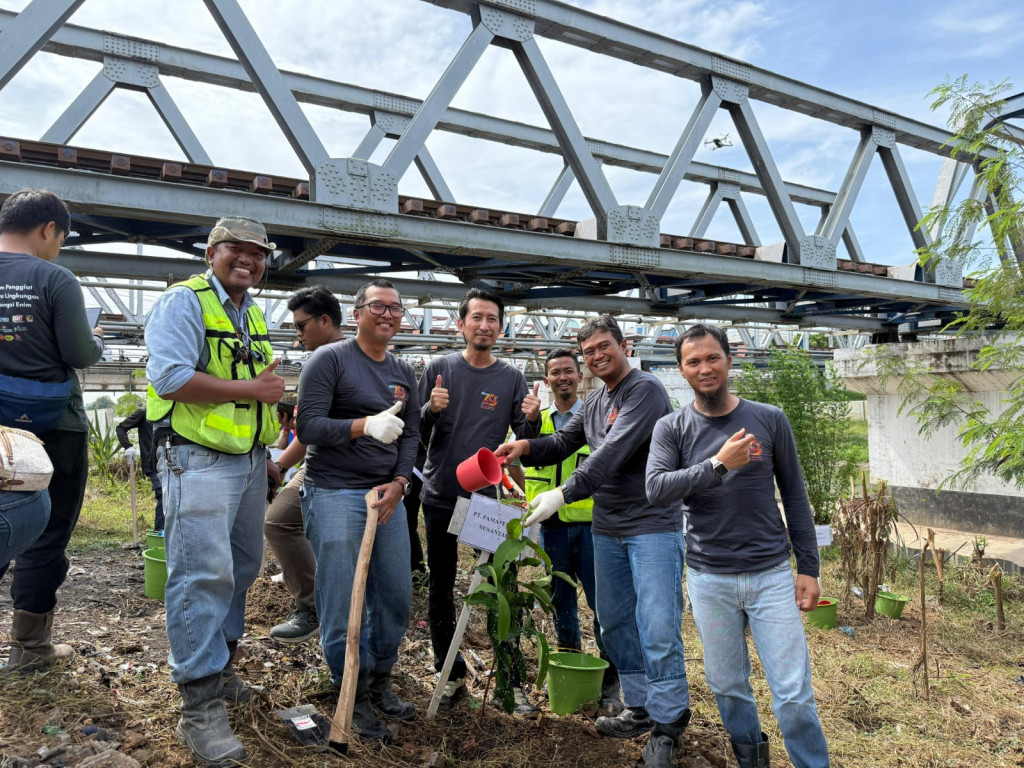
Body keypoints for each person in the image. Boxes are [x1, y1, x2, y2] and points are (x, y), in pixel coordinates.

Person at [496, 316, 690, 768]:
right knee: (613, 617)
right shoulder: (595, 400)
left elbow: (612, 453)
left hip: (652, 525)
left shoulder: (645, 391)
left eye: (604, 347)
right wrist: (523, 448)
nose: (597, 356)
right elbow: (563, 441)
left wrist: (562, 493)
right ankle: (639, 705)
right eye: (589, 352)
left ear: (624, 345)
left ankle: (669, 722)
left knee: (658, 622)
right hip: (609, 525)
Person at [645, 324, 829, 768]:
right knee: (727, 685)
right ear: (681, 371)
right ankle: (752, 758)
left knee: (793, 692)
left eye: (712, 358)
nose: (704, 368)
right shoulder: (671, 428)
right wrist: (717, 466)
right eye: (694, 362)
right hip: (710, 579)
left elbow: (796, 497)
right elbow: (655, 489)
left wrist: (809, 566)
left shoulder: (769, 419)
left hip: (770, 576)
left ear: (730, 360)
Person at [145, 216, 285, 767]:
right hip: (196, 459)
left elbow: (251, 392)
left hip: (247, 461)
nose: (247, 260)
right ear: (211, 251)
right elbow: (170, 379)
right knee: (201, 573)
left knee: (243, 567)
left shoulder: (248, 311)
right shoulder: (184, 301)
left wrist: (266, 452)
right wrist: (251, 388)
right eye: (236, 249)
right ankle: (198, 703)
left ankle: (221, 665)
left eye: (258, 253)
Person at [296, 278, 420, 741]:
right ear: (357, 313)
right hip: (335, 491)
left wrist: (401, 481)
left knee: (394, 593)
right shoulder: (329, 360)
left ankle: (380, 677)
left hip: (387, 494)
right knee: (343, 597)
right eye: (377, 307)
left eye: (395, 308)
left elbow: (411, 434)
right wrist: (364, 426)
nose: (387, 314)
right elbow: (307, 426)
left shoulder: (404, 371)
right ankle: (351, 689)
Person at [418, 288, 538, 712]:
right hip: (440, 496)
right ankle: (448, 677)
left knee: (500, 585)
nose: (484, 325)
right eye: (477, 318)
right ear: (461, 324)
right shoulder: (439, 369)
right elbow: (416, 435)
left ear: (500, 328)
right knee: (441, 587)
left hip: (486, 501)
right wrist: (430, 411)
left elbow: (526, 438)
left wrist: (533, 416)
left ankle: (510, 683)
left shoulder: (510, 377)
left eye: (492, 319)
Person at [0, 189, 104, 671]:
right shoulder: (54, 278)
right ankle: (30, 649)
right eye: (61, 237)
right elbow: (80, 355)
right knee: (47, 528)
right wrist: (96, 341)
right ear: (48, 229)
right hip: (52, 428)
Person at [521, 348, 622, 712]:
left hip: (593, 525)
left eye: (568, 371)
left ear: (580, 378)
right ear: (547, 380)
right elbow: (523, 454)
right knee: (561, 601)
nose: (562, 377)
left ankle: (610, 679)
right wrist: (529, 424)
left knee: (603, 603)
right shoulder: (538, 417)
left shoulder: (596, 417)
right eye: (555, 372)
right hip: (553, 526)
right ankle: (570, 667)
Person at [263, 286, 344, 644]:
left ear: (325, 320)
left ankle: (320, 609)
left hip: (343, 468)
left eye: (302, 326)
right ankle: (318, 606)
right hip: (315, 464)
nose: (298, 336)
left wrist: (281, 466)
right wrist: (280, 466)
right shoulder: (324, 360)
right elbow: (308, 432)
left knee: (283, 523)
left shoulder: (340, 358)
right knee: (282, 522)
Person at [116, 407, 163, 530]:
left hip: (173, 462)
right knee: (162, 494)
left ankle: (172, 534)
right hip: (153, 463)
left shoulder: (175, 410)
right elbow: (121, 428)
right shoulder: (145, 413)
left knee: (173, 498)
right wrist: (128, 446)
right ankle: (160, 534)